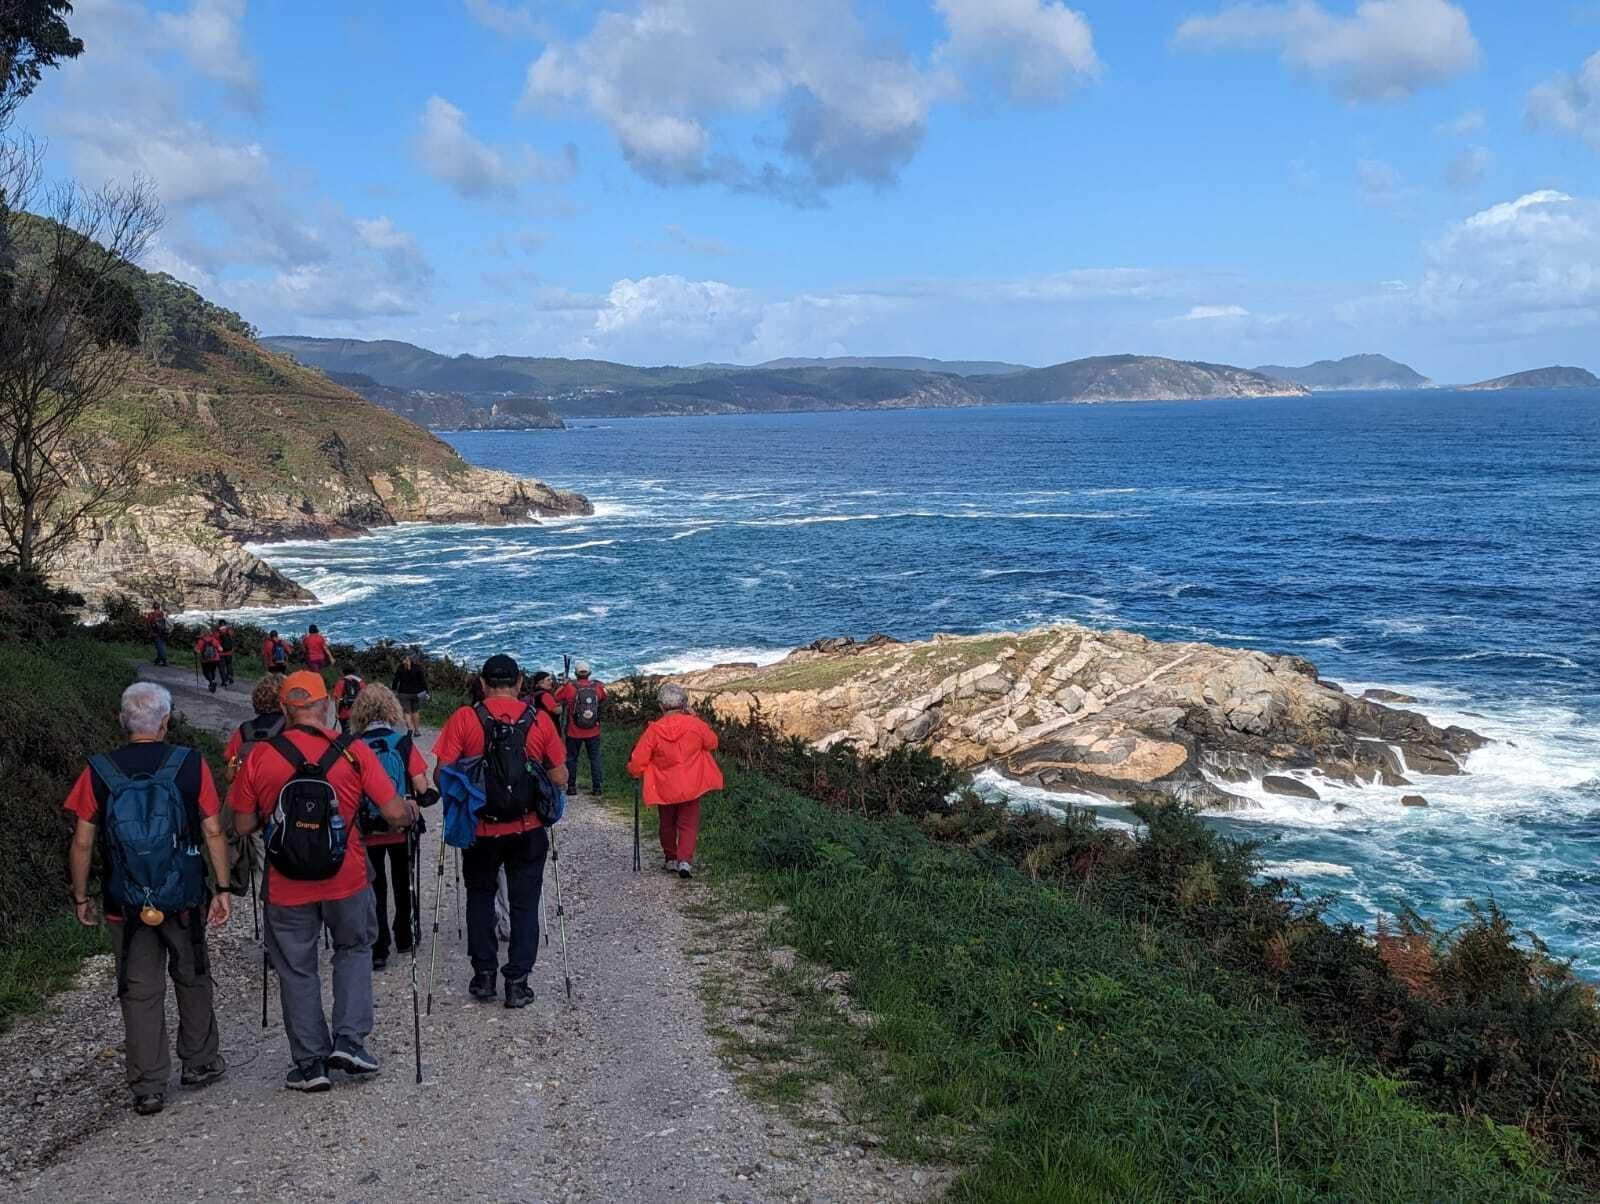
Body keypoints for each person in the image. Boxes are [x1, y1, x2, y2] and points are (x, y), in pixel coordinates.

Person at [229, 671, 419, 1092]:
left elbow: (242, 824)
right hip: (346, 875)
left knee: (296, 969)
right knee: (353, 949)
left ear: (283, 709)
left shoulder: (259, 755)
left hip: (285, 883)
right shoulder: (351, 751)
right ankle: (349, 1041)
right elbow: (391, 813)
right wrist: (408, 810)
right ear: (325, 706)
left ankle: (311, 1063)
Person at [63, 682, 232, 1115]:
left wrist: (82, 895)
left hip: (126, 901)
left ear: (123, 722)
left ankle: (148, 1085)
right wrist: (223, 888)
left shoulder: (99, 771)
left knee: (139, 990)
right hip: (184, 896)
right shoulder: (190, 764)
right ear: (165, 721)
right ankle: (199, 1062)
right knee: (192, 977)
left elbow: (83, 842)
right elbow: (213, 830)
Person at [433, 654, 567, 1008]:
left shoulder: (465, 718)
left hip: (481, 828)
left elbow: (440, 776)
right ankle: (518, 982)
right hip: (528, 828)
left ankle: (484, 975)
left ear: (482, 682)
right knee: (524, 906)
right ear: (520, 683)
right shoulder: (538, 720)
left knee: (480, 898)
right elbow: (560, 776)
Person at [349, 685, 433, 971]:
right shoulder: (402, 742)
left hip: (366, 827)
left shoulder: (352, 745)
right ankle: (406, 936)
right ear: (391, 709)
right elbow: (421, 785)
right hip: (401, 826)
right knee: (403, 881)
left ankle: (378, 947)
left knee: (374, 887)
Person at [627, 682, 724, 879]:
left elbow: (638, 759)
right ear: (684, 704)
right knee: (688, 824)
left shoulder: (654, 731)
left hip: (665, 786)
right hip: (692, 784)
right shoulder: (695, 725)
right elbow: (712, 742)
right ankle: (685, 861)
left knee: (667, 823)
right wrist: (695, 716)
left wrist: (634, 772)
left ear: (661, 706)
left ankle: (670, 858)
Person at [555, 662, 607, 796]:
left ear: (575, 674)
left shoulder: (570, 688)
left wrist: (564, 684)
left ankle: (571, 787)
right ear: (589, 673)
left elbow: (556, 697)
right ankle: (597, 788)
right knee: (595, 758)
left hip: (574, 731)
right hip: (593, 730)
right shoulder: (597, 687)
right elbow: (604, 697)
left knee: (572, 759)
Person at [390, 654, 428, 738]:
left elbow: (395, 680)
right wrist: (426, 691)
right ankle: (417, 731)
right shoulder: (418, 668)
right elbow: (423, 681)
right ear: (414, 659)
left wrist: (394, 690)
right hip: (416, 693)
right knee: (415, 711)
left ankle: (410, 729)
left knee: (407, 712)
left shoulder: (400, 668)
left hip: (403, 693)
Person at [333, 669, 364, 736]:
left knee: (345, 732)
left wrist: (336, 712)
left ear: (344, 673)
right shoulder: (361, 682)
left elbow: (337, 698)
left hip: (344, 713)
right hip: (357, 713)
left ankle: (345, 744)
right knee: (357, 733)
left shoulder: (341, 682)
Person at [194, 628, 223, 694]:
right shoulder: (213, 639)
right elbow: (221, 649)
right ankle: (212, 682)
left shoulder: (201, 641)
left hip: (205, 660)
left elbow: (197, 650)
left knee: (206, 672)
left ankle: (211, 683)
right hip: (215, 659)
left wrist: (196, 651)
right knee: (212, 671)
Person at [215, 621, 237, 687]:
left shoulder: (217, 632)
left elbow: (215, 641)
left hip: (221, 653)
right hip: (229, 652)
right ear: (225, 624)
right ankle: (230, 677)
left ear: (219, 625)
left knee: (222, 667)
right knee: (229, 665)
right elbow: (233, 639)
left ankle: (224, 681)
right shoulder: (229, 630)